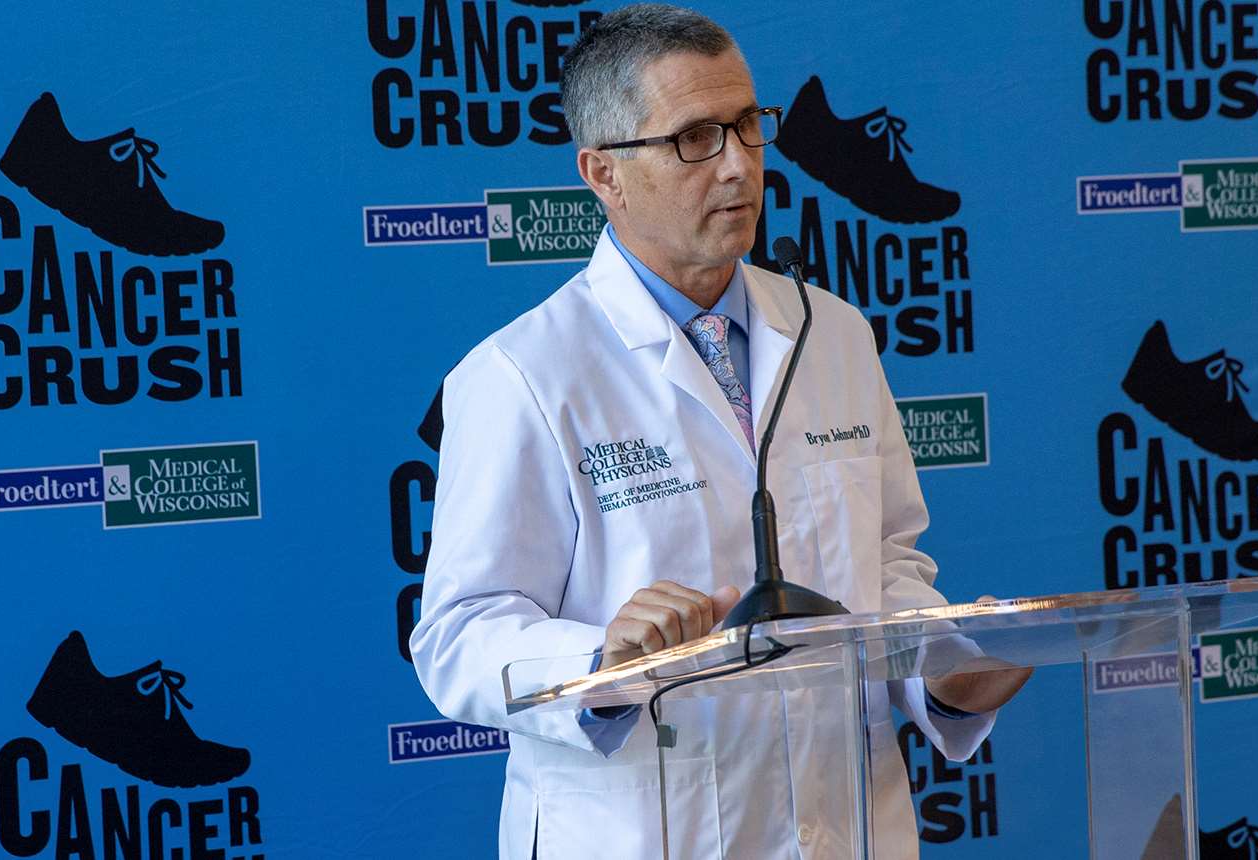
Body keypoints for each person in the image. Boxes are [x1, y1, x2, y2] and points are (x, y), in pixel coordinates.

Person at [406, 5, 1029, 858]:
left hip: (844, 826)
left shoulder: (832, 332)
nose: (739, 164)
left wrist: (947, 674)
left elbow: (884, 566)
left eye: (747, 125)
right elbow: (458, 637)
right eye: (695, 138)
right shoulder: (522, 373)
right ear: (604, 173)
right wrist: (603, 661)